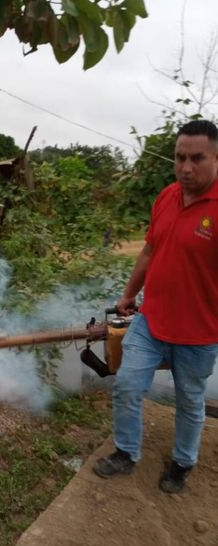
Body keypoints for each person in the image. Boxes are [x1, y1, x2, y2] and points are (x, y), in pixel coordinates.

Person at [94, 119, 218, 493]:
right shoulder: (167, 196)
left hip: (199, 333)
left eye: (196, 158)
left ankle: (182, 463)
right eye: (180, 158)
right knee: (127, 385)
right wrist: (129, 294)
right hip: (152, 320)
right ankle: (126, 452)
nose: (186, 167)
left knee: (190, 401)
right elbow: (150, 250)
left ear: (216, 158)